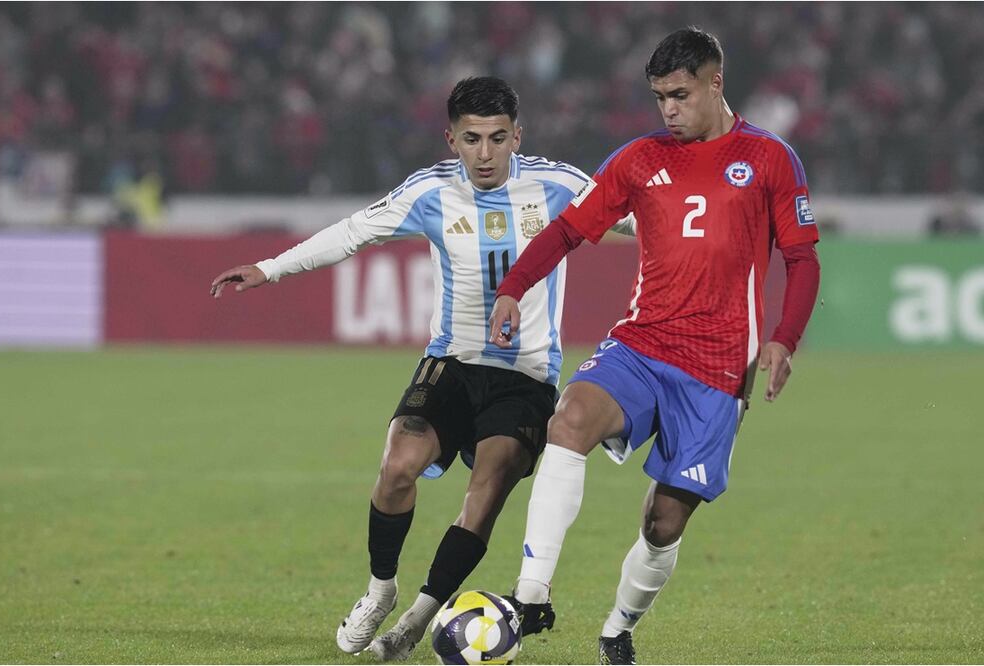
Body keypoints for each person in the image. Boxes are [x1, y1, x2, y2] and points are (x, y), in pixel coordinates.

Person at [210, 76, 635, 662]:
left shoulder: (559, 185)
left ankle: (417, 619)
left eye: (497, 138)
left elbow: (644, 220)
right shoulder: (430, 191)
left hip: (528, 376)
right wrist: (270, 267)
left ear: (518, 136)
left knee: (484, 494)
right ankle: (380, 589)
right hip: (452, 362)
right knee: (396, 467)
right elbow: (355, 231)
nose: (485, 154)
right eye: (471, 139)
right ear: (450, 138)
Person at [488, 27, 822, 665]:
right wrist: (513, 288)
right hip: (642, 344)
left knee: (662, 523)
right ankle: (530, 594)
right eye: (659, 97)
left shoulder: (771, 158)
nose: (668, 109)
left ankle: (617, 628)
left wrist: (784, 339)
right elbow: (565, 231)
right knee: (570, 419)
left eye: (680, 94)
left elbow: (803, 260)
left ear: (714, 82)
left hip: (719, 371)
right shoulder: (639, 158)